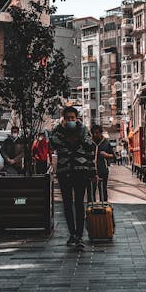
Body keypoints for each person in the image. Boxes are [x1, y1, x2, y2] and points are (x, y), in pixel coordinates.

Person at [50, 106, 95, 249]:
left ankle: (80, 235)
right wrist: (65, 134)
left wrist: (93, 172)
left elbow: (90, 149)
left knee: (79, 203)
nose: (70, 120)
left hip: (80, 170)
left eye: (72, 118)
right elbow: (52, 143)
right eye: (68, 118)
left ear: (77, 118)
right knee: (67, 204)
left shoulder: (83, 130)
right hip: (64, 170)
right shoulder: (58, 130)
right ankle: (72, 234)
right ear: (64, 118)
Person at [91, 125, 114, 201]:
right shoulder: (90, 143)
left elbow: (114, 156)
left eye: (97, 133)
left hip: (103, 170)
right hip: (91, 170)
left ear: (101, 133)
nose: (95, 135)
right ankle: (91, 207)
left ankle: (104, 206)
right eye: (93, 133)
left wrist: (106, 155)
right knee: (91, 190)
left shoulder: (106, 143)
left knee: (103, 189)